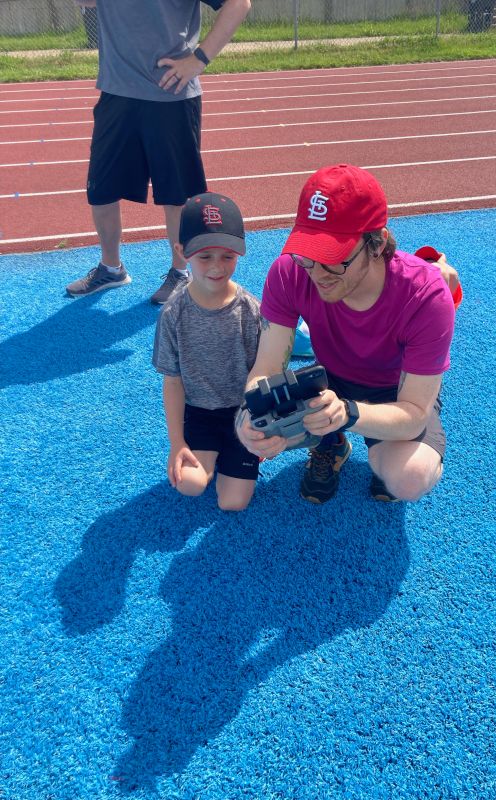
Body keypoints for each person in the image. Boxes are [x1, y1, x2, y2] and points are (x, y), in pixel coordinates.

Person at [236, 163, 460, 505]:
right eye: (308, 254)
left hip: (396, 392)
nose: (317, 273)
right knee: (252, 426)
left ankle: (356, 438)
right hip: (328, 381)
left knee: (408, 478)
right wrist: (248, 418)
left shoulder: (425, 295)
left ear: (377, 243)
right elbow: (265, 369)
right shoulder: (290, 272)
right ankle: (332, 441)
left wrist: (348, 414)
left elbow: (414, 413)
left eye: (334, 258)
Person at [66, 0, 252, 304]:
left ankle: (180, 272)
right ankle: (111, 268)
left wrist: (199, 59)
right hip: (116, 91)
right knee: (101, 190)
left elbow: (239, 3)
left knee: (176, 196)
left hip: (171, 94)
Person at [152, 192, 262, 511]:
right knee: (190, 484)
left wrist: (261, 425)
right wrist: (177, 443)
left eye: (227, 256)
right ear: (181, 251)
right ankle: (212, 456)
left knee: (233, 503)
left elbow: (262, 374)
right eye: (205, 256)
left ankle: (233, 456)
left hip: (243, 413)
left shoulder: (250, 310)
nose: (216, 267)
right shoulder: (173, 314)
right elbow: (173, 381)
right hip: (199, 414)